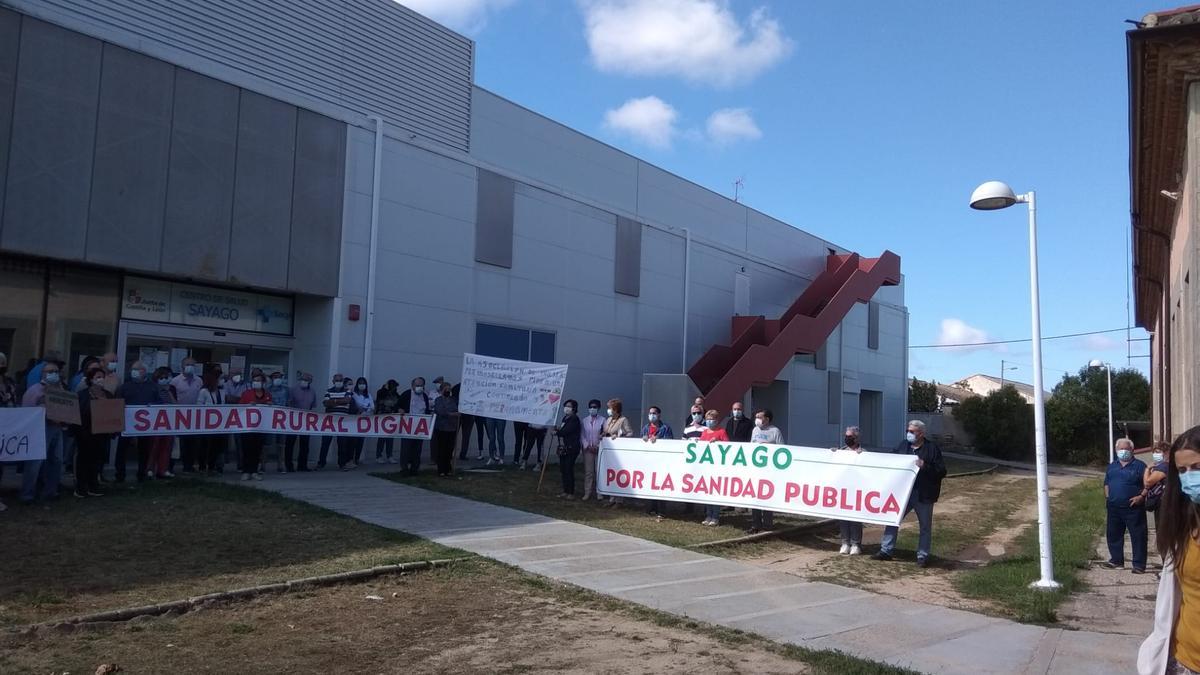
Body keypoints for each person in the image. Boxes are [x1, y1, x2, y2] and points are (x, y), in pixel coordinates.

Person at [1137, 425, 1200, 675]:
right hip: (1183, 661)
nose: (1189, 477)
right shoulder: (1184, 528)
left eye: (1196, 467)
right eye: (1182, 470)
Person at [875, 420, 947, 567]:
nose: (909, 434)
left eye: (912, 432)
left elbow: (941, 471)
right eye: (908, 431)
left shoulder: (932, 449)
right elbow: (890, 459)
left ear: (921, 433)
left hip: (923, 494)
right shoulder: (903, 445)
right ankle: (886, 550)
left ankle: (922, 555)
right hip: (902, 494)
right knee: (892, 519)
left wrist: (924, 465)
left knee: (925, 526)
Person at [20, 360, 65, 504]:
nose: (54, 374)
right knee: (35, 462)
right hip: (40, 429)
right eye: (50, 372)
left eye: (56, 372)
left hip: (57, 429)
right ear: (43, 374)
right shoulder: (34, 390)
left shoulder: (61, 389)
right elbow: (27, 412)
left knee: (56, 460)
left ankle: (51, 491)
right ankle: (27, 494)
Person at [1101, 437, 1150, 574]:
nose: (1123, 451)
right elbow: (1106, 483)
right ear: (1116, 450)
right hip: (1114, 507)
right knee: (1113, 535)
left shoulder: (1140, 466)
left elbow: (1149, 484)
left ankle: (1139, 565)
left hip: (1133, 507)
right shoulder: (1112, 466)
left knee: (1138, 536)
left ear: (1132, 450)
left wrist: (1141, 496)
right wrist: (1108, 496)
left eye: (1126, 449)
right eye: (1120, 449)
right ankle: (1116, 560)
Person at [74, 366, 112, 498]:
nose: (100, 380)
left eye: (102, 377)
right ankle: (80, 487)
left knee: (97, 460)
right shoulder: (82, 395)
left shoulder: (108, 394)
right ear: (91, 379)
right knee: (83, 460)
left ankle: (93, 485)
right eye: (97, 377)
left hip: (101, 434)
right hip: (85, 433)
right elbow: (79, 412)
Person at [118, 362, 160, 481]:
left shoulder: (152, 386)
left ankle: (142, 474)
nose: (134, 372)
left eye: (136, 369)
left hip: (145, 425)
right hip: (127, 423)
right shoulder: (125, 386)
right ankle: (120, 474)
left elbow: (159, 402)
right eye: (132, 369)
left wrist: (152, 406)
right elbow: (118, 402)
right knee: (122, 449)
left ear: (144, 371)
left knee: (144, 450)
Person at [747, 409, 784, 534]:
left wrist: (768, 446)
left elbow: (782, 450)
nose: (757, 419)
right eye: (756, 416)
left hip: (769, 471)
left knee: (767, 497)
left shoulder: (775, 431)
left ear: (767, 419)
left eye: (759, 417)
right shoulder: (755, 430)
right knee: (755, 497)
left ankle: (767, 524)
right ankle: (755, 524)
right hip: (756, 470)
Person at [831, 426, 865, 553]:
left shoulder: (863, 452)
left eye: (850, 436)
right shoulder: (842, 451)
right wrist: (832, 454)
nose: (847, 438)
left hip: (857, 489)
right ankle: (845, 542)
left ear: (856, 438)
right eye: (846, 436)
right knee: (843, 517)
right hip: (843, 488)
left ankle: (856, 544)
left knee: (855, 518)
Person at [170, 357, 205, 473]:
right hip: (179, 415)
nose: (190, 367)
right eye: (187, 364)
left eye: (192, 365)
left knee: (192, 442)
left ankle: (188, 466)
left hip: (194, 416)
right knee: (177, 443)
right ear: (182, 366)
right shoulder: (175, 381)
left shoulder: (199, 381)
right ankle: (170, 466)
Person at [640, 405, 674, 518]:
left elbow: (670, 442)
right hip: (649, 461)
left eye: (654, 413)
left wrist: (658, 440)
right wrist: (643, 439)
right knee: (649, 485)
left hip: (661, 462)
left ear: (659, 415)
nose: (651, 415)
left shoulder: (665, 428)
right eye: (650, 413)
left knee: (660, 485)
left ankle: (661, 511)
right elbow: (640, 443)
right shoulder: (645, 428)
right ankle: (650, 508)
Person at [238, 372, 272, 480]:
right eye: (255, 380)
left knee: (257, 450)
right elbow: (239, 408)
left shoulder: (267, 395)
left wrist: (270, 406)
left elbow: (271, 410)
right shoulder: (246, 394)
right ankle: (246, 471)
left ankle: (254, 471)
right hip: (247, 427)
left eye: (259, 380)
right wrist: (248, 406)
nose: (256, 382)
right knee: (247, 449)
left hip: (261, 427)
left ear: (263, 382)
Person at [601, 398, 635, 508]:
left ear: (616, 409)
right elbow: (606, 431)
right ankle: (612, 498)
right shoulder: (609, 419)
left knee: (618, 475)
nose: (608, 410)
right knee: (610, 475)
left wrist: (620, 436)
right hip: (609, 451)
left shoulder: (623, 420)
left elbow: (630, 433)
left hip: (619, 452)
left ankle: (619, 500)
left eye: (610, 408)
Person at [699, 410, 729, 525]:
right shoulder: (705, 432)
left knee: (715, 492)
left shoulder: (721, 431)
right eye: (708, 419)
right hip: (706, 467)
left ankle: (715, 516)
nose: (709, 422)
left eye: (712, 419)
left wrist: (718, 441)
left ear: (716, 420)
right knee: (707, 492)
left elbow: (728, 446)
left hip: (717, 467)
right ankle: (708, 515)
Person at [318, 374, 353, 470]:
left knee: (342, 443)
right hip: (329, 421)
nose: (339, 382)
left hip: (342, 422)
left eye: (340, 380)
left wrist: (334, 401)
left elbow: (347, 400)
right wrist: (340, 401)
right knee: (325, 442)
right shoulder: (328, 391)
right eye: (337, 380)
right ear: (333, 381)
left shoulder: (347, 391)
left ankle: (342, 464)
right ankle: (321, 463)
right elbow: (326, 403)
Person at [147, 366, 177, 479]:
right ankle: (150, 468)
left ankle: (163, 469)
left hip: (169, 422)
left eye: (167, 377)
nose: (165, 379)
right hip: (156, 422)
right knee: (154, 446)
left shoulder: (172, 389)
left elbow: (175, 404)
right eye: (162, 377)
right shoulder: (153, 388)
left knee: (167, 446)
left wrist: (168, 391)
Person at [398, 377, 431, 476]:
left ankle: (414, 468)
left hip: (420, 426)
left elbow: (427, 409)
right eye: (417, 385)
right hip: (407, 425)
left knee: (417, 448)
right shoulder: (406, 394)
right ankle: (404, 468)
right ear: (412, 386)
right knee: (406, 448)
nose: (419, 387)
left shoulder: (424, 396)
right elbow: (398, 405)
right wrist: (400, 410)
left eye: (421, 385)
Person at [196, 369, 226, 475]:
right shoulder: (204, 391)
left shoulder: (222, 391)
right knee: (204, 446)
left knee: (216, 446)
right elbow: (199, 406)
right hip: (206, 423)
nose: (222, 381)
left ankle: (212, 466)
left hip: (219, 424)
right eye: (220, 379)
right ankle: (202, 466)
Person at [285, 372, 316, 472]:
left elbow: (312, 405)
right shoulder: (293, 390)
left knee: (305, 444)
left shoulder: (312, 391)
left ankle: (302, 465)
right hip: (293, 419)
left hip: (306, 420)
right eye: (303, 379)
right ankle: (288, 465)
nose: (304, 381)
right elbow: (289, 403)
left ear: (310, 381)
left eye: (307, 380)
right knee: (290, 443)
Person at [432, 381, 459, 476]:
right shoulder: (438, 400)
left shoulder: (453, 400)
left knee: (449, 449)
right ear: (442, 390)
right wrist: (452, 414)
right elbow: (441, 411)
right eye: (446, 389)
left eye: (449, 389)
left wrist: (454, 414)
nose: (448, 391)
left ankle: (448, 468)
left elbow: (457, 409)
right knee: (441, 449)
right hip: (441, 428)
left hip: (452, 428)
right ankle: (441, 469)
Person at [346, 376, 374, 469]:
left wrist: (365, 407)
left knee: (361, 441)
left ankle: (357, 459)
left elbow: (372, 407)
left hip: (365, 421)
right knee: (353, 441)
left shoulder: (368, 395)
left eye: (364, 383)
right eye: (360, 383)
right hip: (355, 421)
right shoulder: (354, 394)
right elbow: (358, 406)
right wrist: (364, 407)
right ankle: (350, 459)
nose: (362, 385)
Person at [556, 399, 582, 499]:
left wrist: (558, 432)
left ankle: (571, 492)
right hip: (564, 447)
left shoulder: (574, 419)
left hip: (572, 448)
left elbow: (566, 431)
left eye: (569, 406)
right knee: (563, 469)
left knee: (568, 468)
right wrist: (557, 430)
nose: (567, 408)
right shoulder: (565, 418)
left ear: (574, 408)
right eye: (566, 405)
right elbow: (562, 429)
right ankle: (565, 490)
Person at [580, 399, 605, 501]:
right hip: (588, 450)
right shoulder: (585, 420)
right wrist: (587, 445)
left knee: (599, 471)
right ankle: (587, 492)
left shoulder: (603, 420)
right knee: (589, 472)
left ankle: (600, 492)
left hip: (598, 449)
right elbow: (582, 435)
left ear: (598, 408)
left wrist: (598, 446)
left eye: (594, 407)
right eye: (590, 407)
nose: (592, 409)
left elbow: (604, 435)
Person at [267, 371, 291, 473]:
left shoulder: (286, 390)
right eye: (275, 377)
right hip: (269, 419)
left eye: (279, 377)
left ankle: (280, 465)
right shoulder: (267, 390)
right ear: (272, 379)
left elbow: (289, 402)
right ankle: (263, 465)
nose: (277, 379)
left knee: (281, 444)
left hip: (283, 420)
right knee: (266, 444)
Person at [455, 379, 484, 462]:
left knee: (466, 435)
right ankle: (452, 453)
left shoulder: (473, 388)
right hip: (459, 414)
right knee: (455, 435)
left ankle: (463, 454)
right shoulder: (457, 387)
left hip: (469, 415)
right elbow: (454, 399)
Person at [375, 379, 401, 464]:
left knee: (390, 438)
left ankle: (389, 456)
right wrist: (385, 388)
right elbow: (380, 398)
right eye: (393, 387)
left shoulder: (395, 394)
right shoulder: (381, 392)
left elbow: (399, 401)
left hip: (392, 418)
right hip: (382, 417)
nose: (395, 388)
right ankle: (378, 455)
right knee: (382, 437)